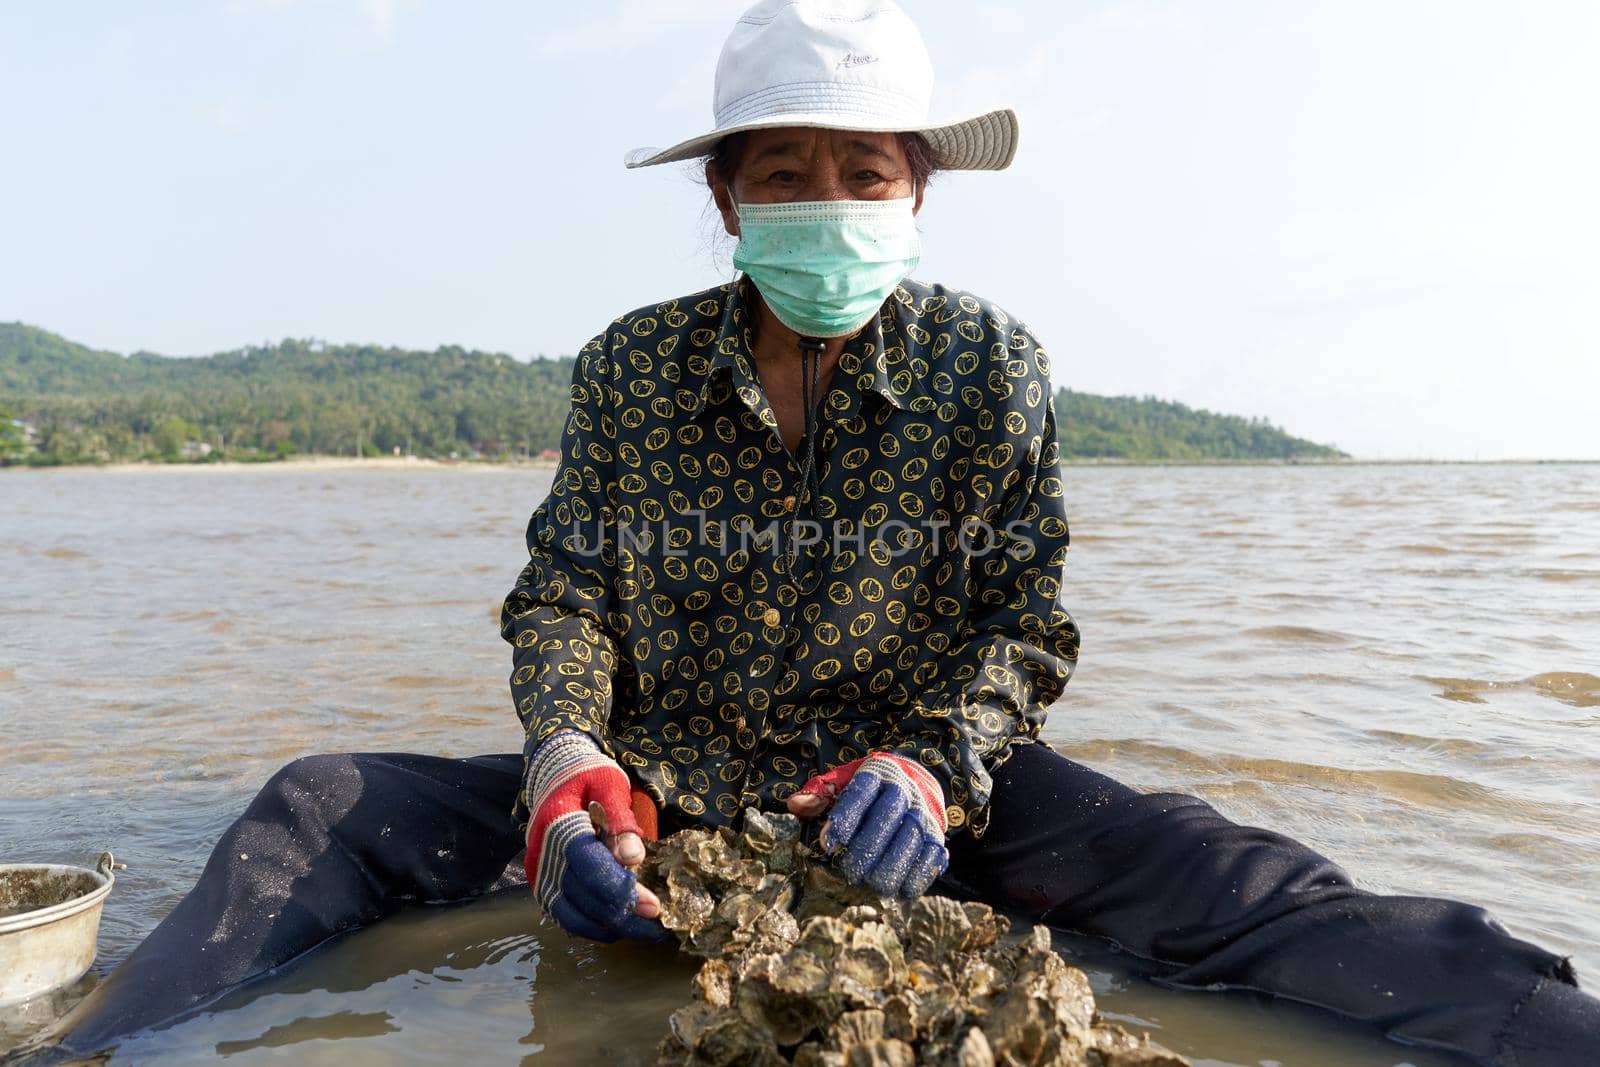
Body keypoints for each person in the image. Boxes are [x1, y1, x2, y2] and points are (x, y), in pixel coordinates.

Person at [14, 2, 1598, 1065]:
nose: (826, 202)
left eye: (864, 173)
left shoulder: (995, 366)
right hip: (660, 795)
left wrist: (937, 763)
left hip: (923, 800)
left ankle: (1545, 1028)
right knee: (319, 804)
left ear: (917, 192)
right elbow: (563, 590)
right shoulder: (631, 365)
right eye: (789, 175)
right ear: (727, 200)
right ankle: (101, 1048)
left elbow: (1022, 622)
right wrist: (566, 763)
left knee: (1229, 876)